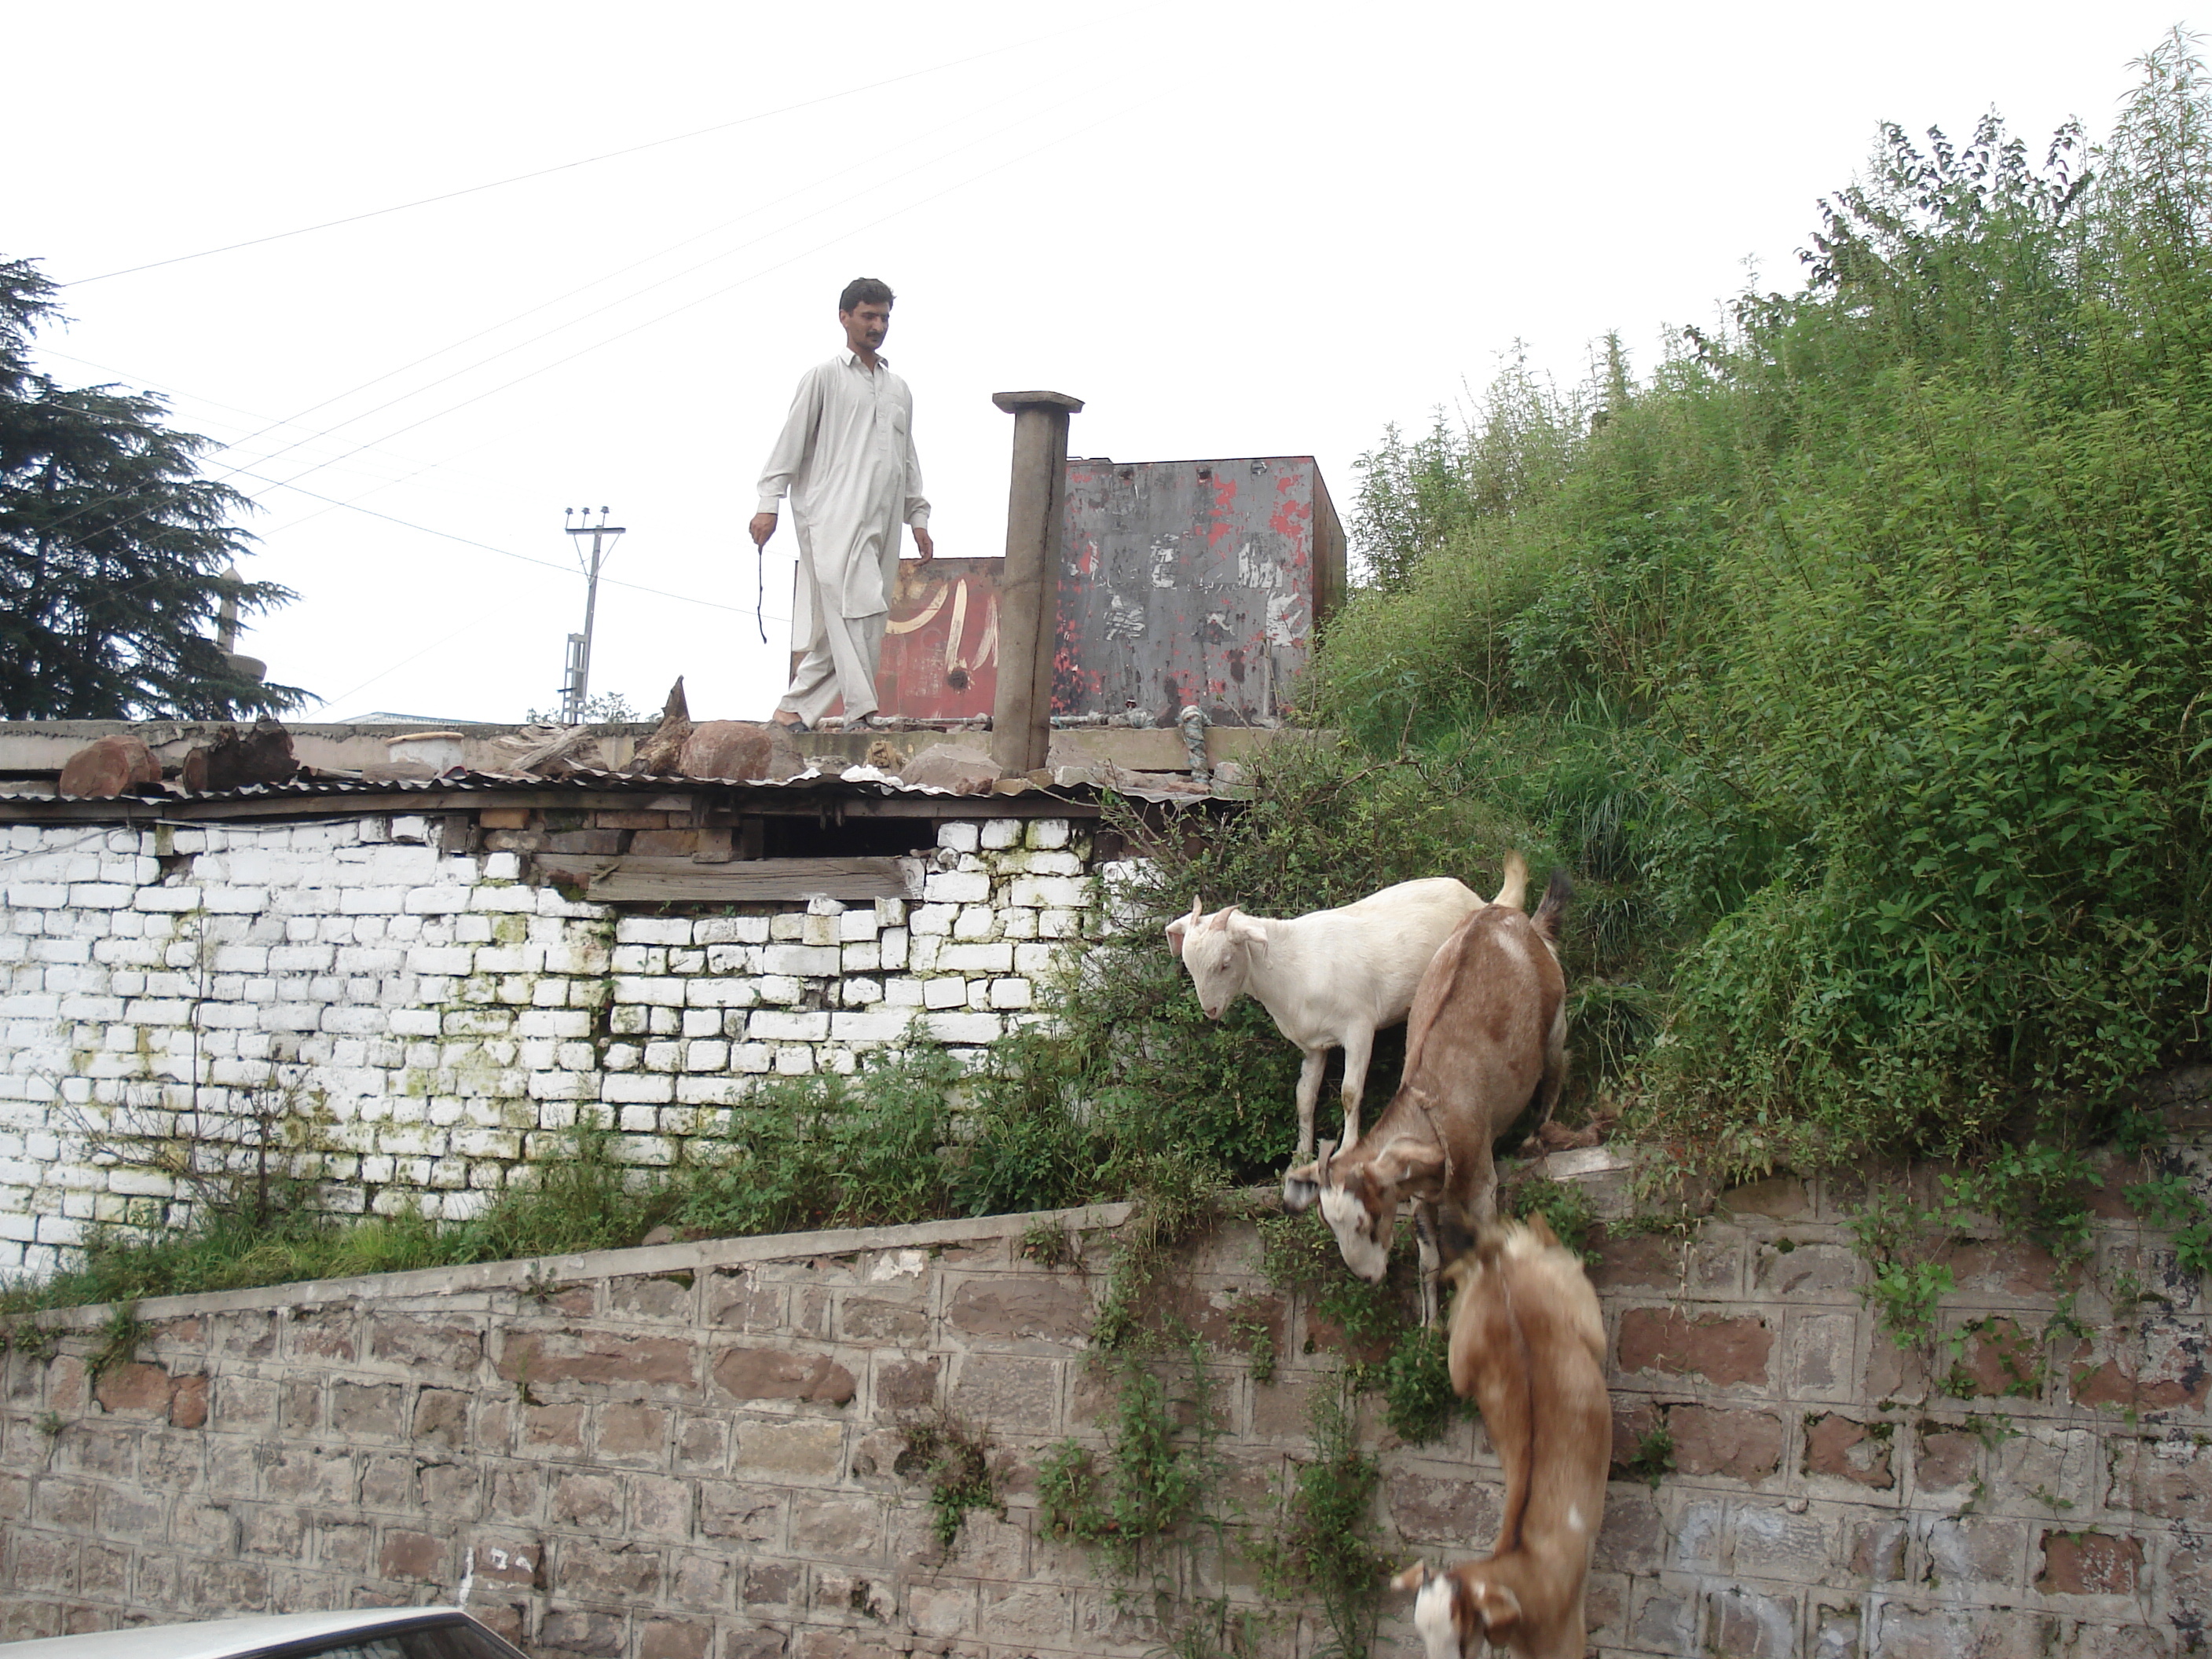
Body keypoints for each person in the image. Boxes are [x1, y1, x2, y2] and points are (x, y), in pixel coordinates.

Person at [751, 276, 933, 732]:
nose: (878, 326)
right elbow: (789, 444)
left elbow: (906, 457)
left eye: (884, 317)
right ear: (845, 317)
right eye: (869, 316)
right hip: (830, 513)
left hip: (882, 518)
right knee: (857, 607)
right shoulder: (823, 378)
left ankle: (793, 710)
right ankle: (861, 712)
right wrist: (767, 502)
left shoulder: (898, 389)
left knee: (864, 612)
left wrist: (919, 517)